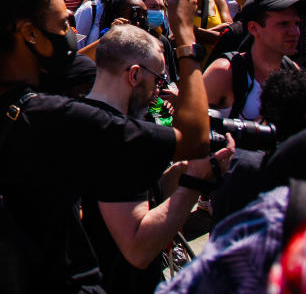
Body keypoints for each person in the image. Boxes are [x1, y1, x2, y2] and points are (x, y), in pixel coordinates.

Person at [0, 0, 211, 292]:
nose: (70, 33)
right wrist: (185, 38)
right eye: (64, 24)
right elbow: (194, 139)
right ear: (29, 34)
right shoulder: (58, 118)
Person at [82, 25, 235, 293]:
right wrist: (194, 182)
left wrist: (185, 168)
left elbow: (135, 198)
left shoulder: (84, 119)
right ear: (135, 75)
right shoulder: (120, 138)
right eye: (158, 79)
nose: (158, 90)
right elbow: (138, 248)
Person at [204, 0, 304, 120]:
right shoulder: (225, 72)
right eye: (283, 24)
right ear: (254, 28)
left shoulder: (291, 70)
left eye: (296, 24)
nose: (294, 32)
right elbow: (191, 128)